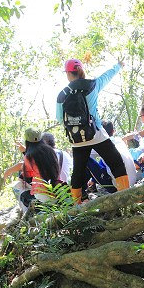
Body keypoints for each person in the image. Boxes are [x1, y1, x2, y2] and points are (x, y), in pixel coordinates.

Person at [56, 58, 129, 202]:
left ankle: (76, 205)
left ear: (68, 74)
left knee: (77, 172)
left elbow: (59, 118)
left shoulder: (62, 94)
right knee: (116, 163)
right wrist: (119, 65)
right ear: (81, 70)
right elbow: (107, 75)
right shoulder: (92, 85)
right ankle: (126, 197)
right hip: (96, 134)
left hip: (77, 139)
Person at [3, 127, 65, 211]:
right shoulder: (50, 150)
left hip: (41, 194)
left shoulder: (29, 156)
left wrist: (9, 171)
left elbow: (26, 174)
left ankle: (27, 212)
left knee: (17, 186)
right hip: (56, 191)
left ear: (27, 140)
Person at [101, 121, 137, 187]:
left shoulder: (102, 145)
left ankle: (82, 191)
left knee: (87, 159)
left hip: (120, 185)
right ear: (113, 131)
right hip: (133, 180)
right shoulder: (119, 140)